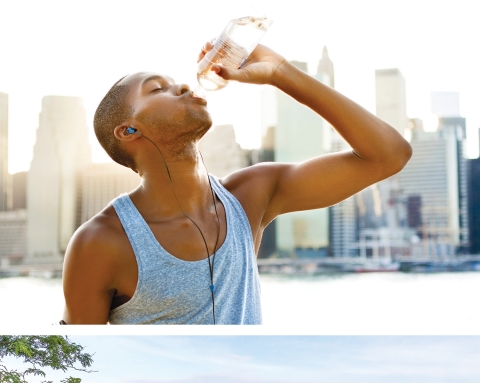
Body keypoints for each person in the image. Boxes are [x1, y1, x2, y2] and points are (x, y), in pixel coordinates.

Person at [62, 42, 412, 325]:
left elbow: (388, 155)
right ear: (129, 131)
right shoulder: (101, 242)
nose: (182, 85)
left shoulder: (251, 195)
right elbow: (81, 360)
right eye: (158, 89)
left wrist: (280, 73)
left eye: (174, 82)